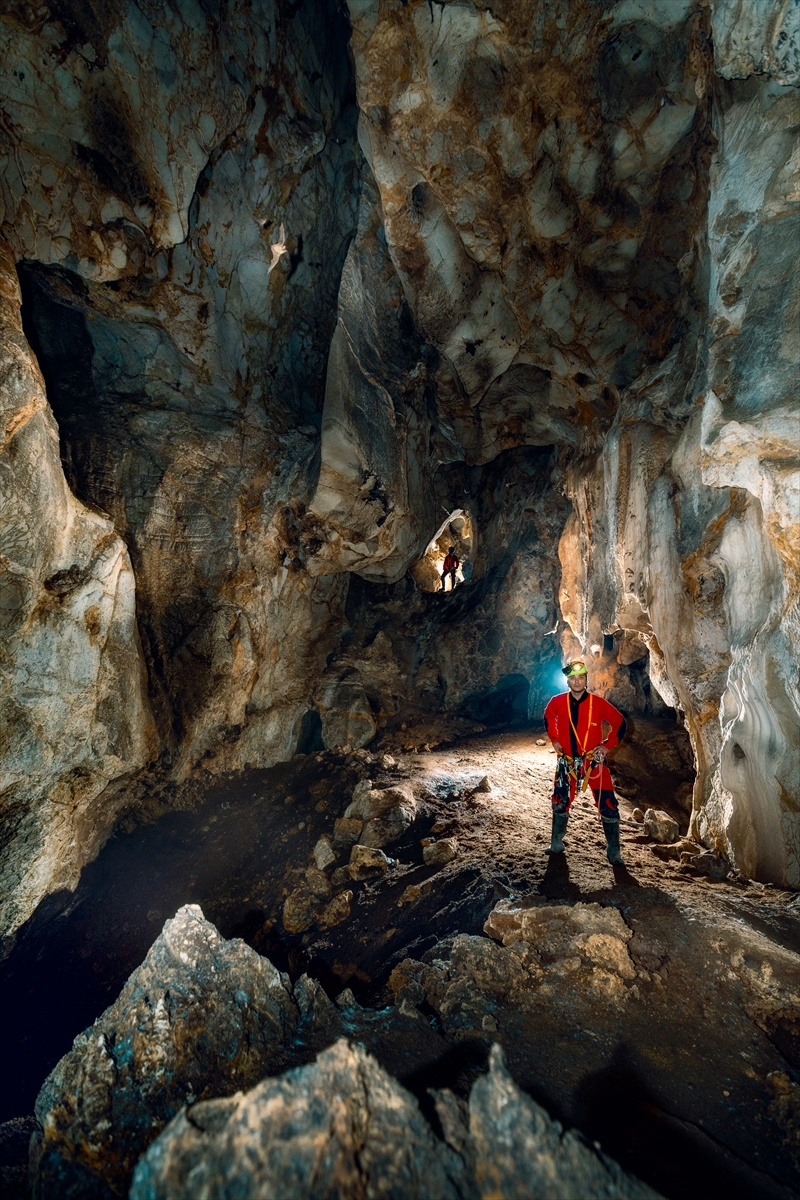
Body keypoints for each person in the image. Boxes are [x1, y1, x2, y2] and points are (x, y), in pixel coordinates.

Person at [543, 659, 628, 864]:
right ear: (568, 681)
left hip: (594, 763)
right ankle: (557, 843)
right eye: (573, 678)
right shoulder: (557, 701)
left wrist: (607, 745)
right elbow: (548, 716)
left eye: (581, 677)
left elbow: (619, 722)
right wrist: (554, 740)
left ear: (586, 679)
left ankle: (614, 851)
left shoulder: (598, 704)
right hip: (567, 762)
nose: (577, 681)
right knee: (560, 800)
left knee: (608, 803)